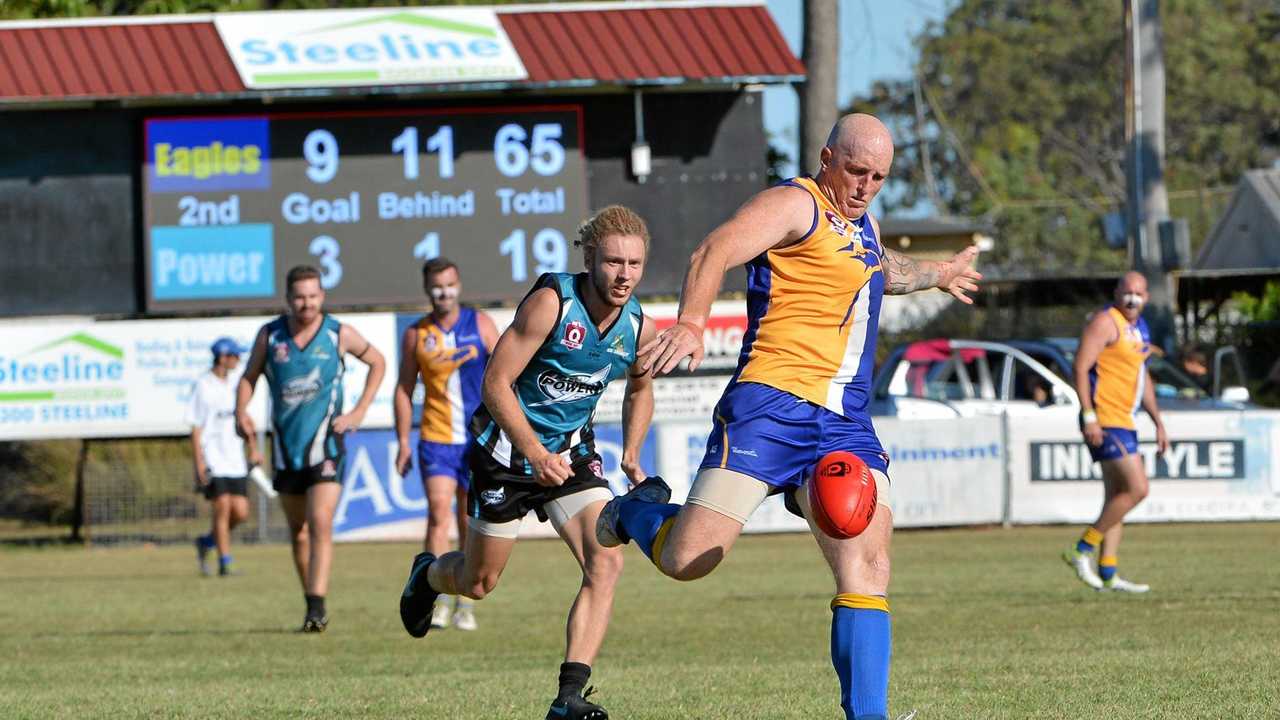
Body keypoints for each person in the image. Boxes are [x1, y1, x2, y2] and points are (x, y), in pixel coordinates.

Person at [596, 114, 980, 720]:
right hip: (770, 406)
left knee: (868, 559)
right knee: (689, 560)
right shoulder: (795, 204)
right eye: (856, 171)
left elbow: (890, 271)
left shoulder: (866, 226)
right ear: (827, 159)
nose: (865, 186)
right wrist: (693, 321)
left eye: (878, 176)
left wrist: (941, 274)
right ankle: (637, 509)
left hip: (845, 422)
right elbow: (714, 249)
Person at [399, 206, 657, 720]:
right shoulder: (550, 303)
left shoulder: (637, 326)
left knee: (605, 561)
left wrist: (631, 453)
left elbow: (641, 387)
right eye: (612, 262)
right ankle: (427, 576)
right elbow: (496, 385)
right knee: (478, 584)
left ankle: (568, 697)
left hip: (573, 457)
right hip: (505, 456)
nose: (624, 274)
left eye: (634, 263)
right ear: (589, 258)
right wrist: (534, 453)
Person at [236, 265, 386, 632]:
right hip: (287, 448)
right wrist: (241, 411)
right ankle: (311, 601)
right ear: (288, 299)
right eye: (299, 297)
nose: (307, 303)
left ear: (323, 296)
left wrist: (360, 410)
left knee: (321, 523)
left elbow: (377, 362)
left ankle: (317, 608)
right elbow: (248, 378)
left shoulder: (339, 334)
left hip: (328, 446)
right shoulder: (270, 337)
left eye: (313, 296)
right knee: (299, 530)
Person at [394, 257, 499, 632]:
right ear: (427, 289)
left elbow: (507, 370)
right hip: (436, 438)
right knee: (438, 513)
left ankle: (464, 602)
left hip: (477, 439)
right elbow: (404, 389)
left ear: (459, 285)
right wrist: (403, 442)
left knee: (467, 518)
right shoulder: (416, 334)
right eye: (437, 286)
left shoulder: (481, 324)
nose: (444, 292)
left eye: (450, 284)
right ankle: (431, 596)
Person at [1061, 271, 1167, 593]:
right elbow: (1080, 367)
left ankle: (1108, 572)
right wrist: (1089, 415)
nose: (1132, 298)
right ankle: (1080, 549)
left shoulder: (1140, 329)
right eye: (1127, 291)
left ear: (1147, 297)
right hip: (1105, 418)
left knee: (1117, 497)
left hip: (1126, 419)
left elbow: (1142, 377)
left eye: (1139, 293)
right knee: (1138, 489)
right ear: (1117, 292)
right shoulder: (1105, 322)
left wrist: (1158, 421)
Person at [188, 337, 262, 577]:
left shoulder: (236, 384)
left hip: (235, 458)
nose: (238, 360)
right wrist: (199, 461)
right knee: (222, 508)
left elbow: (244, 418)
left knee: (240, 512)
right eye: (234, 356)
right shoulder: (203, 385)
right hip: (213, 457)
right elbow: (196, 426)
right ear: (223, 357)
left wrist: (253, 447)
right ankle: (225, 562)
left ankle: (207, 542)